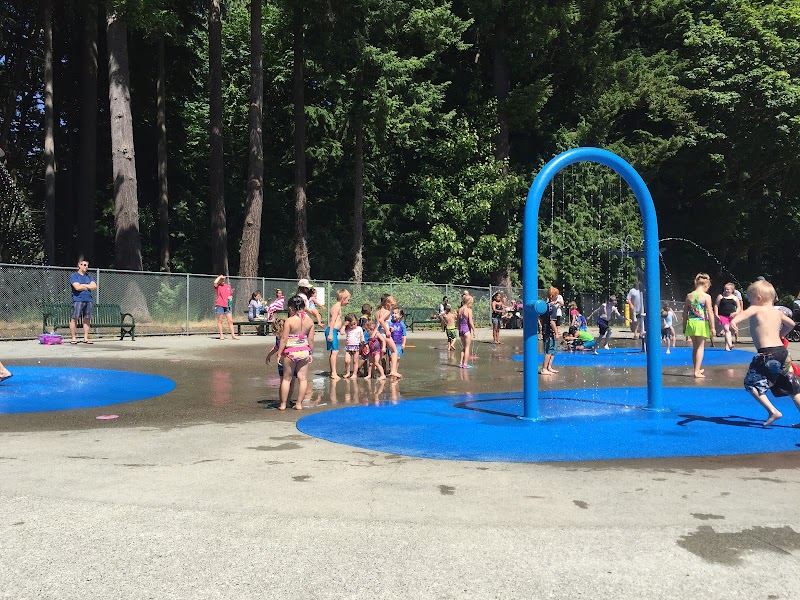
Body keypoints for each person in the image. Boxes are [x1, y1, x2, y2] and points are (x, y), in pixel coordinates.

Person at [730, 279, 800, 427]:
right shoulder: (777, 312)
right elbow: (791, 324)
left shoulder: (756, 308)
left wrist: (733, 322)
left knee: (751, 384)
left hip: (767, 354)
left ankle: (773, 411)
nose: (749, 302)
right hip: (782, 352)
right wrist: (781, 334)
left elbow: (743, 315)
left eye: (750, 299)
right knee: (791, 386)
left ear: (758, 298)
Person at [276, 295, 315, 410]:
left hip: (291, 352)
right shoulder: (310, 321)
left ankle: (283, 404)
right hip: (304, 351)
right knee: (303, 378)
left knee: (286, 379)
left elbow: (284, 339)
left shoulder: (289, 321)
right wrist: (310, 352)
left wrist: (279, 353)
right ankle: (299, 404)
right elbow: (311, 339)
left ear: (291, 308)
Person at [682, 273, 715, 378]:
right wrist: (712, 327)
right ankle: (697, 371)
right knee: (700, 348)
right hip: (701, 323)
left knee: (695, 347)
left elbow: (685, 313)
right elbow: (710, 312)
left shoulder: (689, 296)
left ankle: (696, 368)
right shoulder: (706, 296)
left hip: (691, 323)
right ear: (706, 285)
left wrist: (684, 326)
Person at [69, 257, 98, 345]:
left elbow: (94, 286)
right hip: (78, 300)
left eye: (87, 265)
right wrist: (87, 286)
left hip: (88, 300)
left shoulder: (89, 276)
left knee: (87, 319)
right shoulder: (74, 276)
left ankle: (85, 338)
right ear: (79, 265)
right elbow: (77, 287)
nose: (86, 267)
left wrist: (83, 285)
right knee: (75, 318)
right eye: (84, 265)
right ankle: (73, 338)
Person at [325, 289, 350, 379]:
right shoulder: (336, 307)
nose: (348, 302)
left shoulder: (338, 307)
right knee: (335, 352)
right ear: (343, 298)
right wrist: (330, 333)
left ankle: (332, 371)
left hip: (333, 331)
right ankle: (333, 373)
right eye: (348, 300)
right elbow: (333, 320)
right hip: (332, 330)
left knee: (333, 351)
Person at [376, 295, 402, 378]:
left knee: (380, 353)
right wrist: (387, 330)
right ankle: (393, 371)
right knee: (394, 351)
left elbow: (378, 323)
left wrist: (388, 327)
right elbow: (381, 321)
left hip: (378, 334)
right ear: (387, 304)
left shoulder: (378, 311)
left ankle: (379, 373)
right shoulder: (387, 312)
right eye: (392, 306)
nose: (392, 308)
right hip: (384, 334)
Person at [714, 282, 742, 351]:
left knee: (730, 331)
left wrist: (736, 313)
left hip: (732, 316)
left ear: (732, 290)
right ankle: (730, 344)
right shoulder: (721, 296)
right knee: (726, 330)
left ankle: (727, 346)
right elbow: (716, 305)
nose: (726, 290)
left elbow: (739, 307)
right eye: (725, 289)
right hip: (723, 315)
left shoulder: (735, 298)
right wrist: (716, 314)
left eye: (728, 289)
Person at [540, 287, 560, 374]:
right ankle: (544, 368)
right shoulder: (553, 307)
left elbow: (540, 318)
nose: (558, 296)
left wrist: (542, 327)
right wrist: (556, 332)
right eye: (557, 295)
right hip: (550, 332)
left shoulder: (544, 306)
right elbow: (552, 322)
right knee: (549, 350)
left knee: (553, 350)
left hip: (545, 330)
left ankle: (549, 367)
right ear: (553, 296)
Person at [213, 275, 239, 340]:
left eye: (223, 279)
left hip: (228, 305)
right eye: (221, 279)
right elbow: (215, 282)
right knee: (220, 320)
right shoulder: (218, 286)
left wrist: (230, 298)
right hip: (220, 305)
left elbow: (230, 295)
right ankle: (221, 335)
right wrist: (220, 277)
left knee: (230, 321)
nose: (222, 280)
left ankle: (233, 335)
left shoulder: (228, 286)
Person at [341, 313, 363, 379]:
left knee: (355, 361)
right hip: (348, 347)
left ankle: (354, 374)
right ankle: (347, 373)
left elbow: (362, 336)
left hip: (356, 347)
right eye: (351, 325)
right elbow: (341, 332)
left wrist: (363, 343)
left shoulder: (359, 328)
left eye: (354, 324)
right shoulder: (348, 329)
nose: (353, 326)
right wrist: (344, 325)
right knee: (347, 361)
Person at [457, 294, 476, 369]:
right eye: (471, 303)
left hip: (461, 330)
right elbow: (470, 321)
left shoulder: (460, 309)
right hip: (466, 330)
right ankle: (465, 364)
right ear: (468, 302)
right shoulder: (469, 310)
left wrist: (459, 329)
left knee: (463, 347)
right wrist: (474, 330)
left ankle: (461, 363)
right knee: (467, 347)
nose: (471, 305)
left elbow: (458, 321)